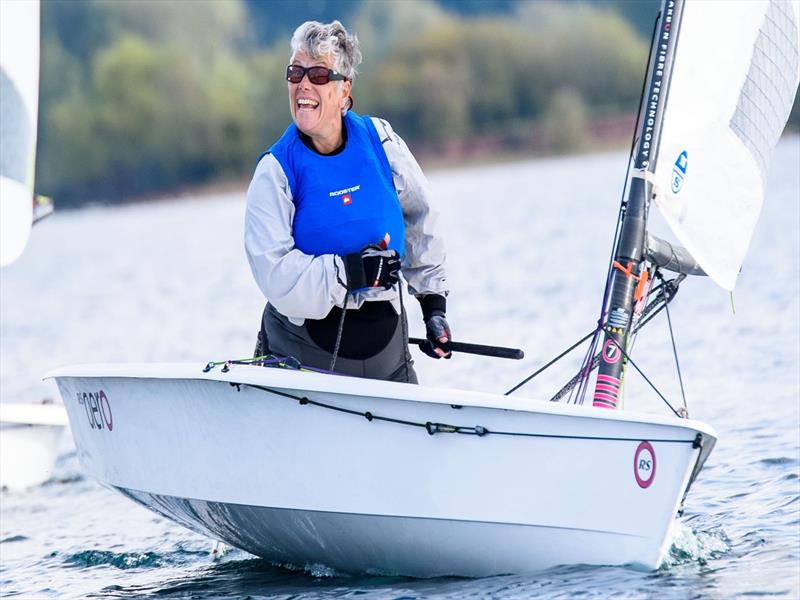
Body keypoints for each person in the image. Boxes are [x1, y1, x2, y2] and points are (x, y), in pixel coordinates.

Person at [245, 20, 451, 383]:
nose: (303, 84)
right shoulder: (275, 170)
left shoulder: (382, 142)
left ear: (344, 92)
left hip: (387, 354)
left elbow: (421, 218)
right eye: (296, 73)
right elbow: (275, 275)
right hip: (302, 354)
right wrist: (348, 273)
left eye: (319, 74)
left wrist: (433, 307)